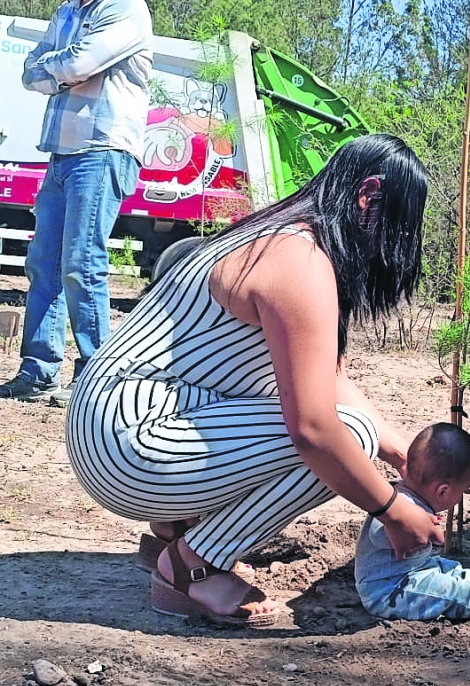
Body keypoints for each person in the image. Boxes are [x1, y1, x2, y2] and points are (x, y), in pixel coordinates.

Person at [64, 134, 442, 627]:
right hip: (127, 446)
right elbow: (315, 428)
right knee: (344, 436)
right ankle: (188, 566)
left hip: (109, 427)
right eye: (397, 227)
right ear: (367, 196)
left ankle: (175, 528)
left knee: (345, 427)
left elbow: (330, 379)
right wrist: (394, 509)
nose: (393, 245)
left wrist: (405, 461)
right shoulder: (299, 262)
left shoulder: (278, 236)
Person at [0, 0, 151, 406]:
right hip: (63, 152)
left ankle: (96, 381)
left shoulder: (126, 9)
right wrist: (64, 71)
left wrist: (61, 69)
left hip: (102, 151)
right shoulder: (68, 10)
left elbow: (74, 63)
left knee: (82, 263)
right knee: (46, 263)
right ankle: (38, 372)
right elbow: (32, 73)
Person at [355, 423, 470, 620]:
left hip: (416, 570)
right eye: (464, 491)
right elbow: (378, 530)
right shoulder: (397, 503)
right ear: (443, 491)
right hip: (388, 590)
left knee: (452, 569)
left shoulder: (404, 497)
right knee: (448, 592)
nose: (464, 495)